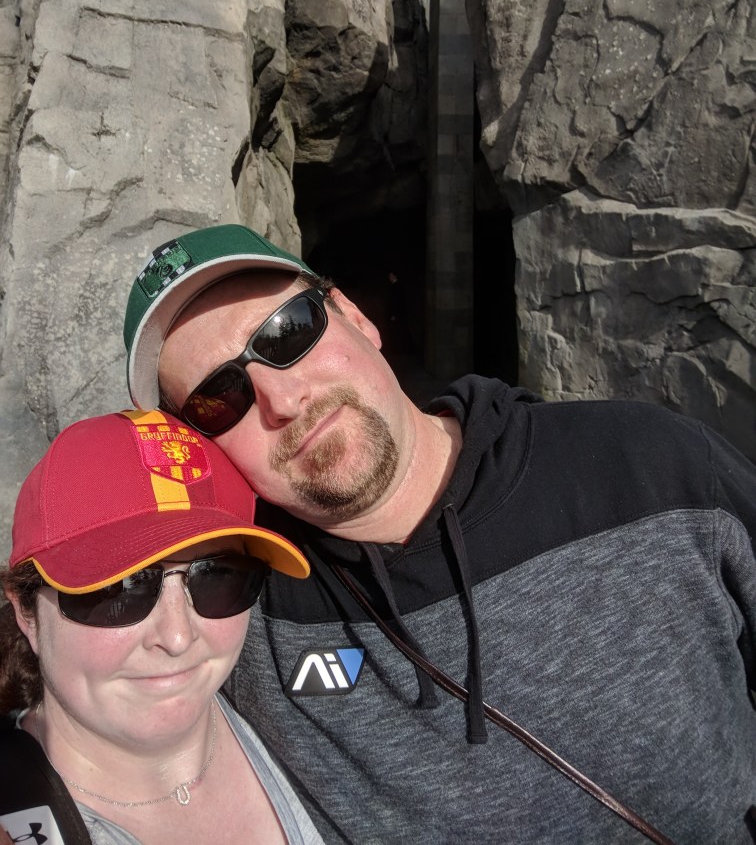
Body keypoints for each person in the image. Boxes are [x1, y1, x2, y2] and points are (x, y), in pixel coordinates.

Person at [123, 223, 756, 845]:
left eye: (287, 333)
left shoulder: (650, 466)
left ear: (354, 317)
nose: (280, 400)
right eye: (217, 399)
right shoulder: (229, 613)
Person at [0, 407, 324, 845]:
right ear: (26, 611)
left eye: (219, 577)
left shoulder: (302, 724)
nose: (177, 637)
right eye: (118, 590)